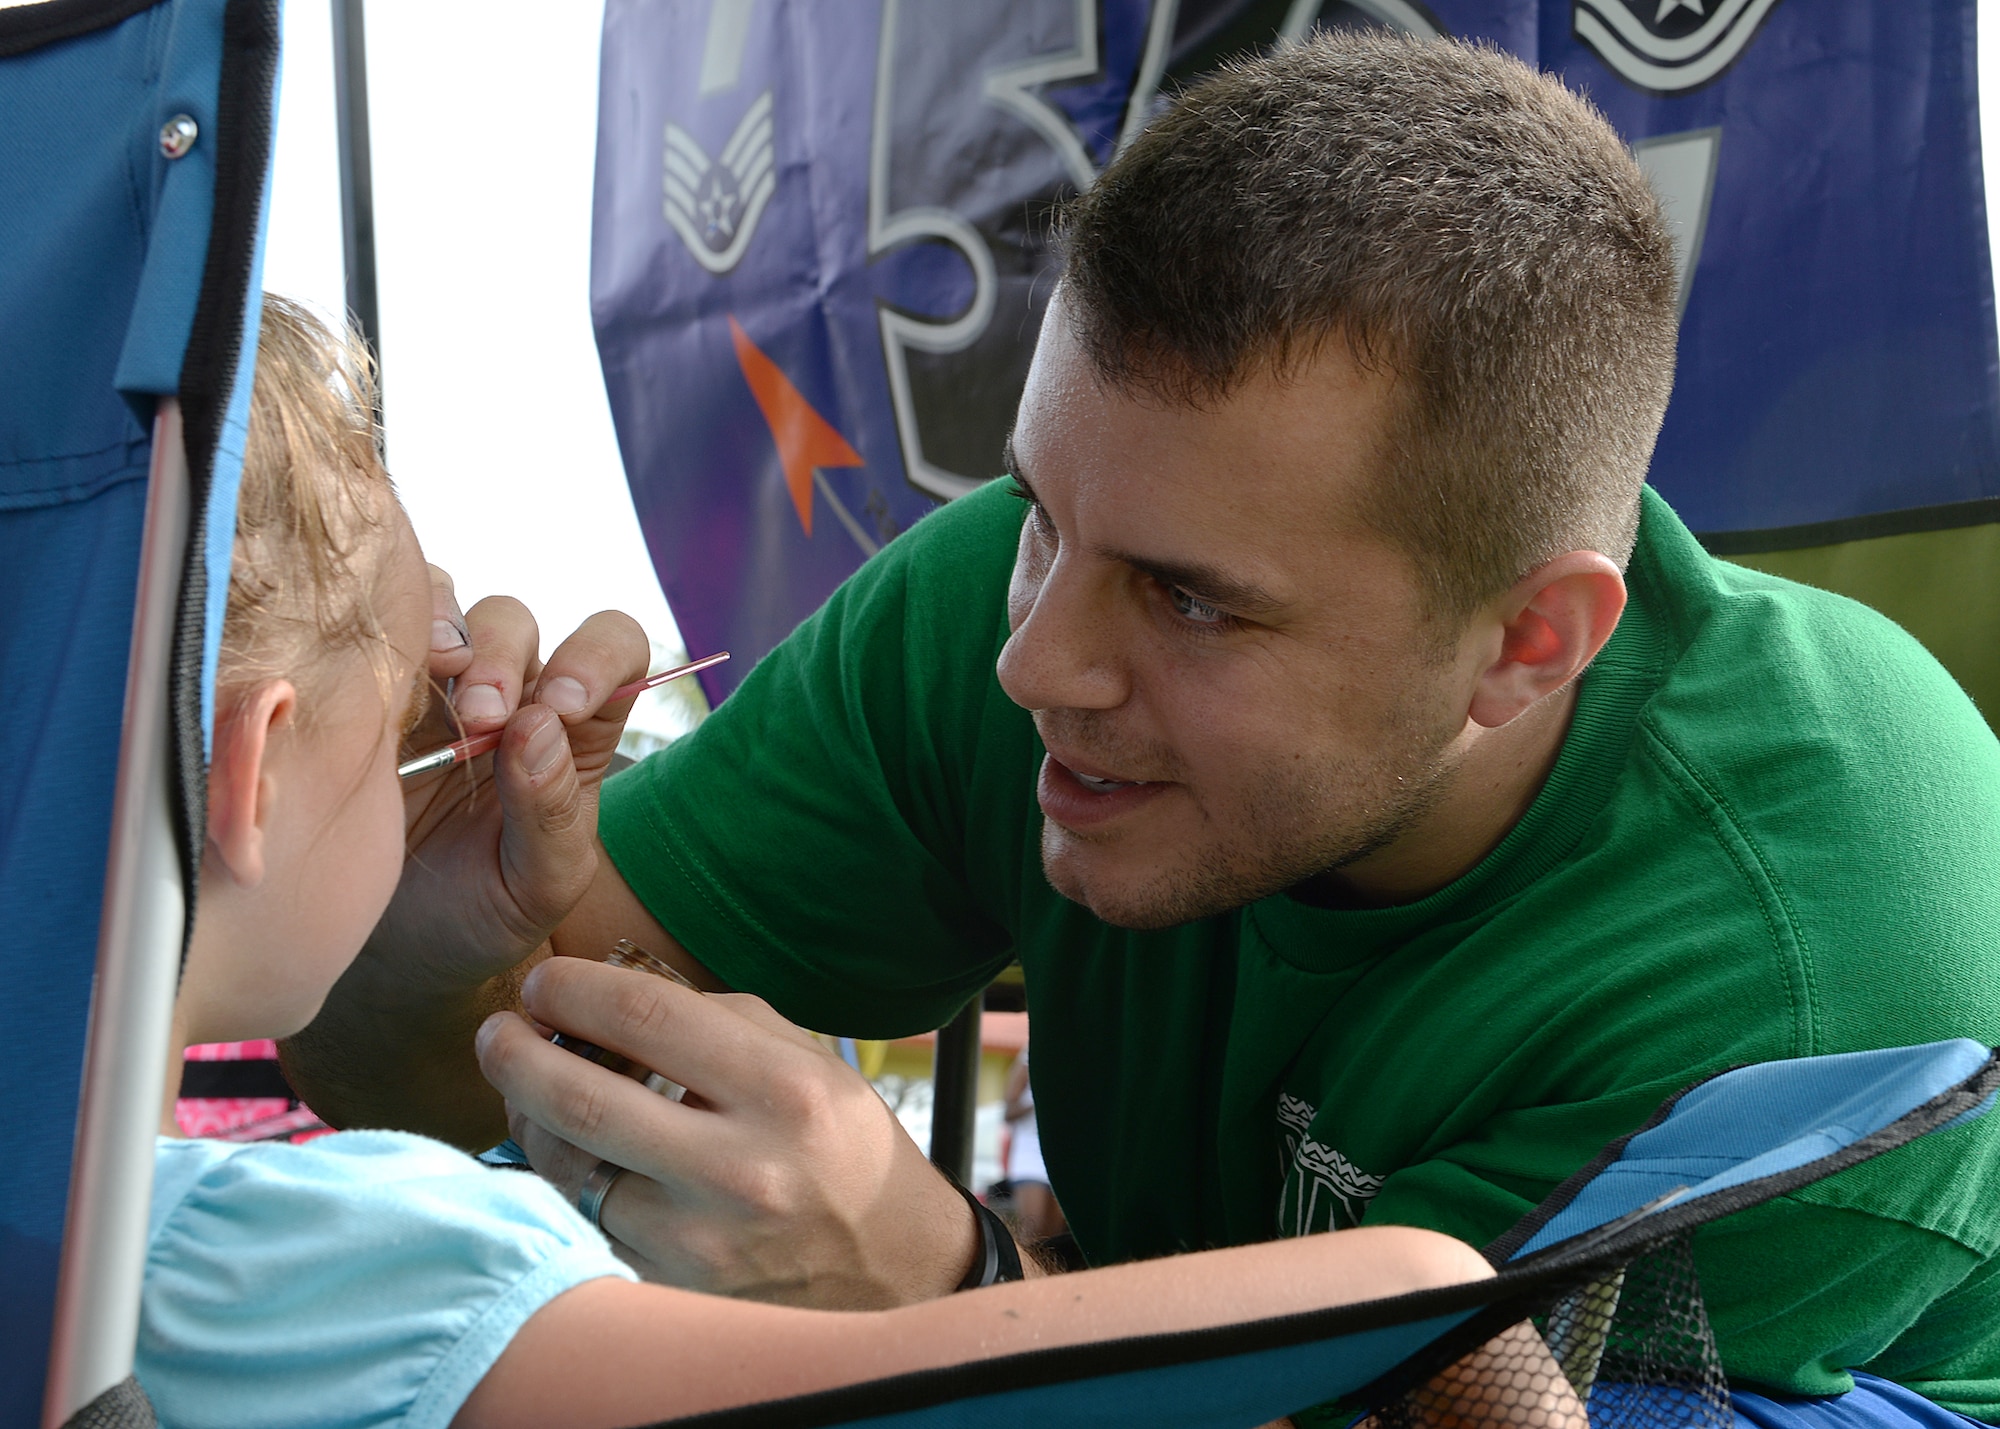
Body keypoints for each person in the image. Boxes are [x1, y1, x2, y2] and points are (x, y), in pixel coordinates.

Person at [282, 31, 2000, 1420]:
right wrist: (416, 939)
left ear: (1524, 644)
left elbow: (1470, 1410)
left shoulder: (1823, 945)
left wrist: (943, 1296)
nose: (1040, 660)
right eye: (1040, 510)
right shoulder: (999, 610)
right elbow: (456, 1128)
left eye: (1192, 599)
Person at [142, 293, 1543, 1429]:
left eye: (1192, 599)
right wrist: (951, 1270)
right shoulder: (352, 1269)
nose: (1023, 662)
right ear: (250, 768)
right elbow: (1419, 1295)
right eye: (413, 700)